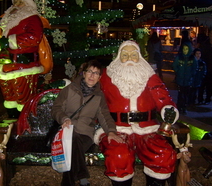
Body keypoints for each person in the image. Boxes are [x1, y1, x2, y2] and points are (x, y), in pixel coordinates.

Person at [96, 40, 179, 186]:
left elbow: (163, 97)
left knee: (162, 153)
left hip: (147, 128)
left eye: (133, 54)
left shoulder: (149, 76)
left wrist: (168, 110)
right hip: (116, 128)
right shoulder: (106, 76)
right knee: (119, 155)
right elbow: (89, 90)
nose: (129, 58)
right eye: (125, 54)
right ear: (118, 56)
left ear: (139, 56)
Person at [51, 59, 123, 186]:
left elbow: (105, 116)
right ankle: (81, 177)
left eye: (96, 73)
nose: (92, 75)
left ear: (99, 77)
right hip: (66, 131)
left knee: (74, 143)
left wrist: (111, 132)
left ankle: (71, 181)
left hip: (85, 135)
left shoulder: (99, 97)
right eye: (89, 71)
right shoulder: (69, 90)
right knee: (72, 141)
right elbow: (56, 108)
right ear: (84, 73)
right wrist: (64, 118)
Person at [0, 0, 48, 118]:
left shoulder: (32, 18)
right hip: (3, 64)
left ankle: (25, 123)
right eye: (15, 1)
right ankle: (12, 120)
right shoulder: (5, 19)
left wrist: (10, 41)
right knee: (8, 96)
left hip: (23, 65)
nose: (16, 4)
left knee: (23, 96)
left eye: (20, 2)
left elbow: (34, 37)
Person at [172, 43, 197, 113]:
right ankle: (179, 107)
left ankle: (184, 107)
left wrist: (191, 75)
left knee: (186, 94)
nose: (185, 50)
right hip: (180, 79)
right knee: (180, 94)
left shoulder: (192, 58)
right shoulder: (179, 57)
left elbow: (195, 67)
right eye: (184, 49)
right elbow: (174, 65)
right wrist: (178, 72)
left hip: (188, 80)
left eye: (186, 49)